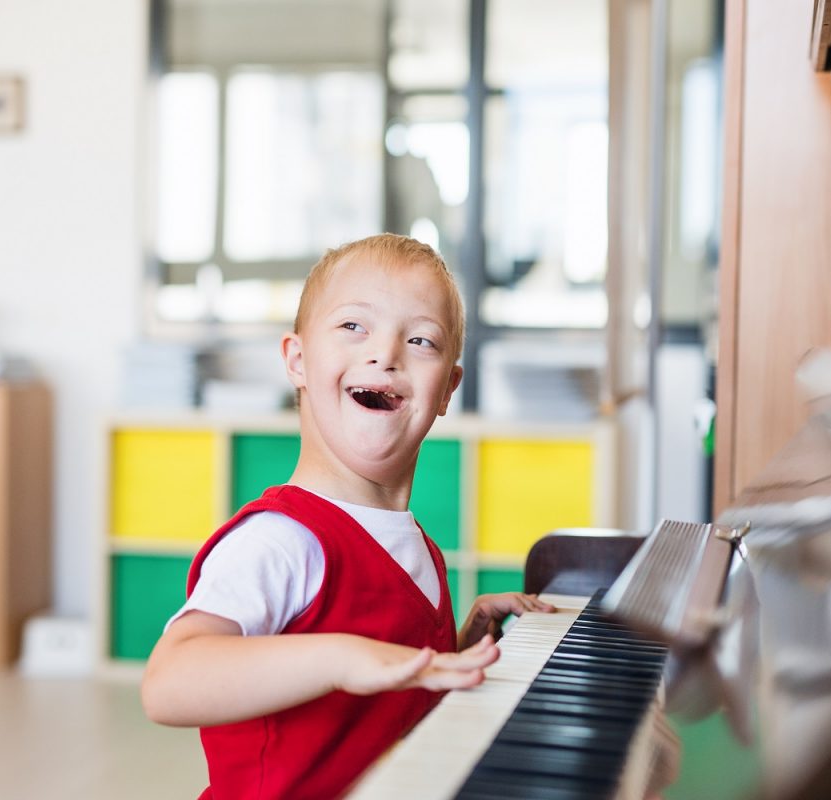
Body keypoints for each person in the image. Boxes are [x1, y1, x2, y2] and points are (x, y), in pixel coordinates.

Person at [142, 233, 554, 799]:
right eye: (353, 326)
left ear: (446, 390)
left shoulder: (416, 546)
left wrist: (457, 648)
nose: (385, 353)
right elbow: (168, 684)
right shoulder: (280, 539)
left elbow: (386, 714)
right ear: (298, 360)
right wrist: (341, 657)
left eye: (421, 340)